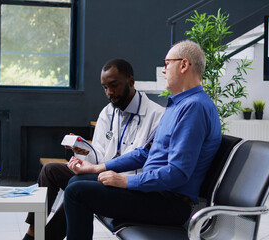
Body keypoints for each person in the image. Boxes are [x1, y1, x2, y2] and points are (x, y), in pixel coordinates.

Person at [63, 40, 222, 240]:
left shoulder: (194, 108)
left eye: (167, 64)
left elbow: (178, 173)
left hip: (168, 203)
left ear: (183, 65)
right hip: (154, 194)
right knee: (77, 180)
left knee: (77, 192)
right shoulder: (178, 105)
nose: (163, 70)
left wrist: (125, 181)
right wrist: (96, 168)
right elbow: (145, 153)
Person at [22, 58, 164, 240]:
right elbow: (98, 156)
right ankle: (33, 232)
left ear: (131, 81)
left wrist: (103, 171)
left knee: (77, 191)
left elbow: (146, 162)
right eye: (105, 87)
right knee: (50, 170)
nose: (109, 93)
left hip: (125, 185)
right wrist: (84, 152)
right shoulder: (107, 112)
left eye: (114, 85)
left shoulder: (156, 115)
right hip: (101, 176)